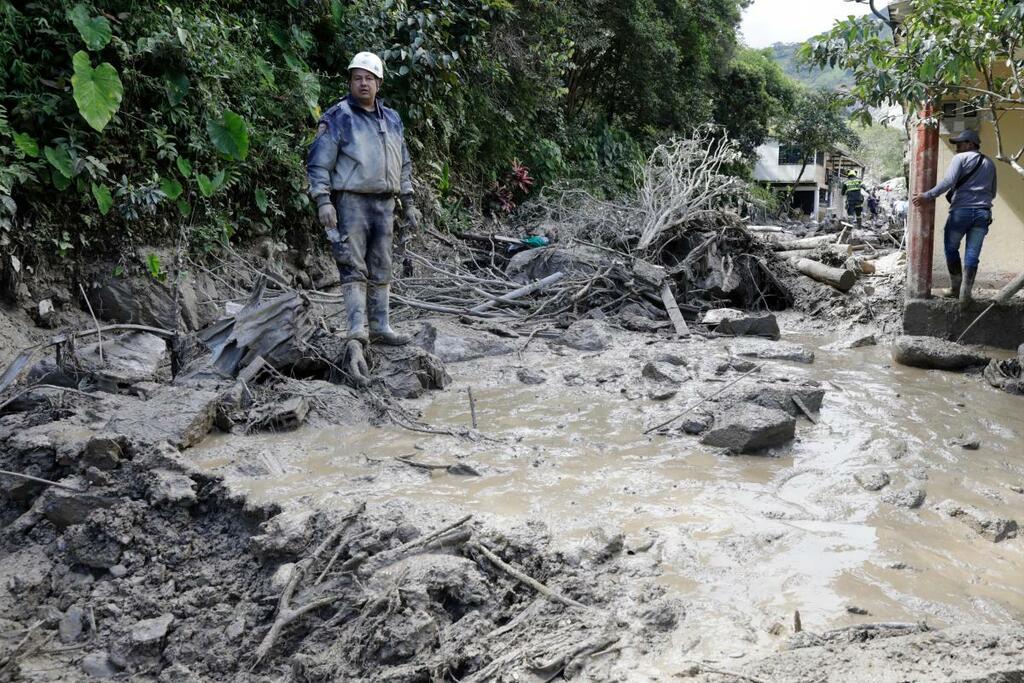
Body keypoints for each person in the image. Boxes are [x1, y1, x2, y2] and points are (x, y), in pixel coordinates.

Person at [307, 51, 420, 350]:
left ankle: (380, 326)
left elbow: (403, 162)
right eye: (357, 78)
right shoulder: (338, 117)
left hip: (385, 203)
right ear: (350, 82)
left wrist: (408, 201)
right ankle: (357, 328)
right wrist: (323, 201)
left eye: (369, 78)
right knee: (352, 264)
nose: (363, 83)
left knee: (382, 265)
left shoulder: (392, 119)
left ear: (379, 83)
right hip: (351, 201)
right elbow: (319, 163)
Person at [912, 129, 997, 304]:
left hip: (961, 212)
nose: (957, 147)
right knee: (972, 255)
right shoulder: (990, 163)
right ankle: (966, 295)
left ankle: (955, 288)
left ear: (970, 144)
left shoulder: (959, 158)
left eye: (960, 143)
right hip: (983, 214)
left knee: (951, 249)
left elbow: (948, 182)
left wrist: (925, 196)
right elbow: (993, 192)